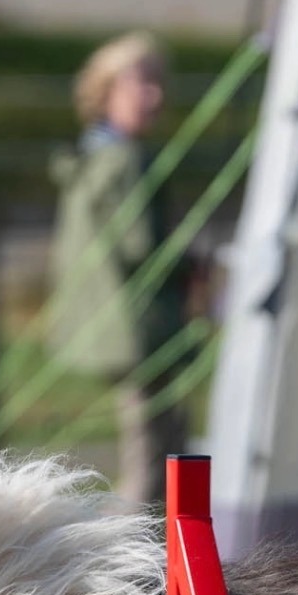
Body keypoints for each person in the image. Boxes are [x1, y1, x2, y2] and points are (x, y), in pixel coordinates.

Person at [48, 31, 195, 506]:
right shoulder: (127, 160)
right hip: (139, 326)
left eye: (159, 83)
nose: (155, 95)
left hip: (110, 322)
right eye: (142, 83)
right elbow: (141, 246)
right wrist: (195, 264)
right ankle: (139, 544)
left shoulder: (89, 155)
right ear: (107, 91)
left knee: (152, 444)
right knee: (154, 455)